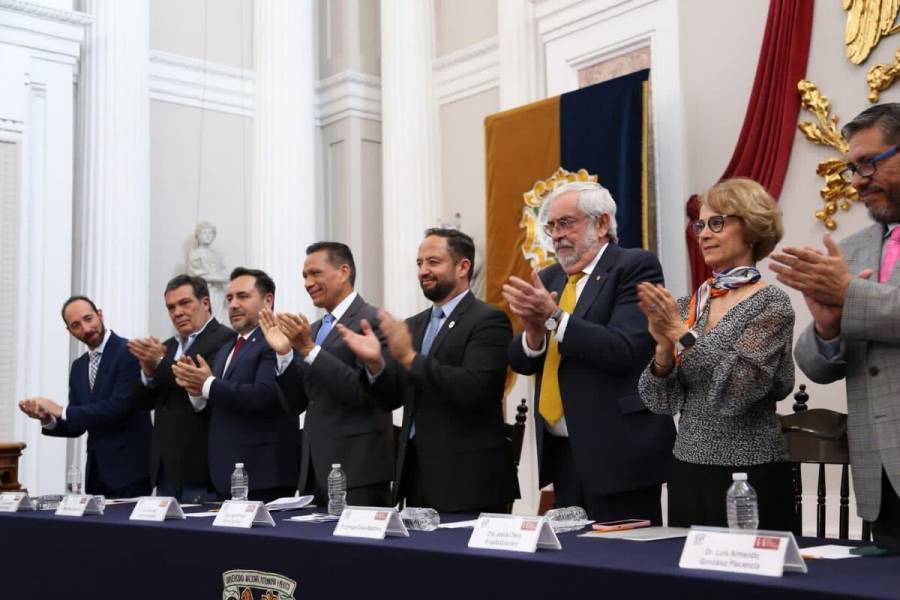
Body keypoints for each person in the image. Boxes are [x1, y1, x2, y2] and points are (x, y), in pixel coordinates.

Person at [503, 181, 674, 523]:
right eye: (551, 226)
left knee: (626, 565)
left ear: (602, 224)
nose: (556, 235)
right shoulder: (551, 277)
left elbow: (624, 348)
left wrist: (553, 317)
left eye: (566, 223)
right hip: (563, 452)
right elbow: (521, 361)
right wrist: (535, 332)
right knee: (573, 567)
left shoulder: (634, 266)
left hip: (619, 451)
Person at [770, 102, 900, 543]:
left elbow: (863, 302)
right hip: (879, 478)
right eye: (852, 168)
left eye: (869, 163)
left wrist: (849, 296)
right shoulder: (854, 248)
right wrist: (826, 329)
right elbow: (818, 367)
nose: (859, 180)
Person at [638, 178, 794, 529]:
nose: (704, 234)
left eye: (717, 223)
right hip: (687, 468)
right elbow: (660, 403)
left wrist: (681, 334)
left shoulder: (771, 303)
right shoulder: (691, 305)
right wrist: (663, 349)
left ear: (752, 229)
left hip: (750, 471)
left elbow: (740, 388)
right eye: (700, 225)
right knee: (690, 583)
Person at [339, 228, 519, 513]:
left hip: (468, 480)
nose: (423, 270)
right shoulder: (413, 325)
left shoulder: (489, 320)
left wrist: (410, 358)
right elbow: (391, 398)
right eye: (419, 263)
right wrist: (375, 364)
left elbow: (475, 389)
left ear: (463, 267)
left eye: (433, 262)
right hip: (416, 476)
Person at [260, 242, 394, 506]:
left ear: (343, 272)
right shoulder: (314, 328)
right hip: (314, 472)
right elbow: (296, 404)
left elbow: (365, 393)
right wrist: (285, 354)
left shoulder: (374, 320)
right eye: (304, 276)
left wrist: (309, 349)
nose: (308, 283)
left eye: (315, 273)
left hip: (359, 471)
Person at [172, 267, 298, 502]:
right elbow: (218, 404)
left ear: (268, 300)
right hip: (225, 475)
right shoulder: (227, 348)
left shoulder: (277, 341)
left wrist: (208, 384)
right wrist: (196, 392)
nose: (233, 304)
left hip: (264, 474)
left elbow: (266, 395)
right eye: (230, 298)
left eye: (243, 296)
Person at [18, 296, 151, 498]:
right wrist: (47, 418)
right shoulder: (79, 366)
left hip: (130, 472)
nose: (86, 329)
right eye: (76, 325)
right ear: (69, 331)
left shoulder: (129, 352)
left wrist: (60, 410)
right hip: (97, 475)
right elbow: (77, 424)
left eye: (89, 318)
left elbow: (118, 408)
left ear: (100, 314)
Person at [128, 275, 235, 502]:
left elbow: (200, 386)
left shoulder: (226, 340)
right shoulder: (167, 347)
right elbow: (143, 402)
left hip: (201, 467)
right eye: (171, 307)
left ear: (205, 303)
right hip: (164, 470)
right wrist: (147, 372)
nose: (177, 312)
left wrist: (159, 362)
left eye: (185, 303)